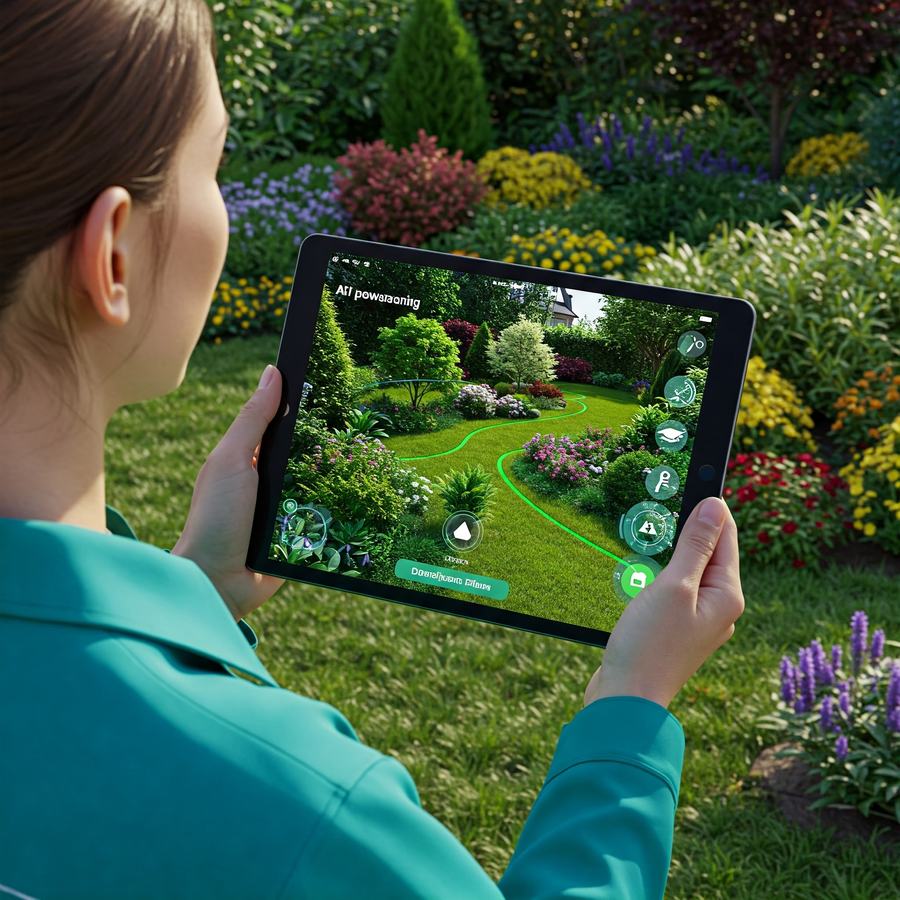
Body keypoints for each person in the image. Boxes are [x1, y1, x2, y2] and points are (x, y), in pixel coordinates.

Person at [0, 2, 745, 897]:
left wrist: (200, 585)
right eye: (216, 165)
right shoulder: (304, 810)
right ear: (113, 253)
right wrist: (631, 706)